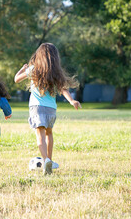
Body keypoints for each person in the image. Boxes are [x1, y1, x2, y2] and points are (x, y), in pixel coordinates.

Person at [14, 43, 81, 175]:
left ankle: (45, 161)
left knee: (40, 136)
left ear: (39, 56)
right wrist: (72, 100)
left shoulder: (33, 69)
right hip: (51, 109)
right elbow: (63, 89)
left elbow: (16, 79)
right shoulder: (55, 73)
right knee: (49, 133)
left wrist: (22, 69)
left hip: (36, 108)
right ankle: (49, 159)